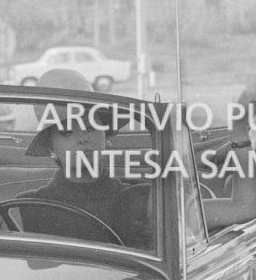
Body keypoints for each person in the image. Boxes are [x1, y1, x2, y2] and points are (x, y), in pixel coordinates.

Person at [15, 69, 153, 248]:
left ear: (106, 135)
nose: (82, 138)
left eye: (91, 127)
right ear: (51, 148)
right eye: (67, 132)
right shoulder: (27, 208)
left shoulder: (141, 197)